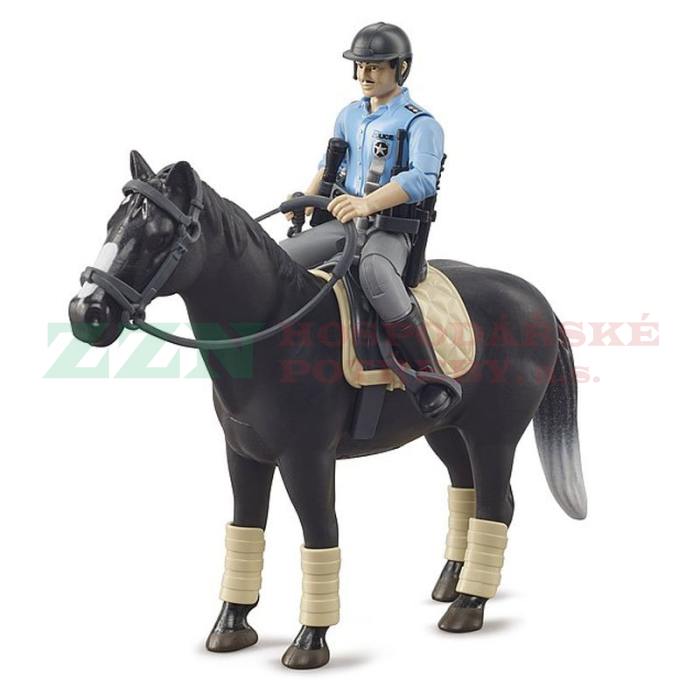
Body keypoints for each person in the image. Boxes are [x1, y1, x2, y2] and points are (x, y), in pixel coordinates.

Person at [280, 22, 452, 418]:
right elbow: (330, 165)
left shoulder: (420, 124)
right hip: (344, 221)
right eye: (360, 66)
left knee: (375, 272)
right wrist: (305, 200)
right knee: (280, 259)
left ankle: (430, 374)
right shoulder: (350, 116)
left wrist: (366, 204)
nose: (365, 74)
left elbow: (422, 179)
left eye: (375, 66)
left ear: (400, 68)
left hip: (392, 227)